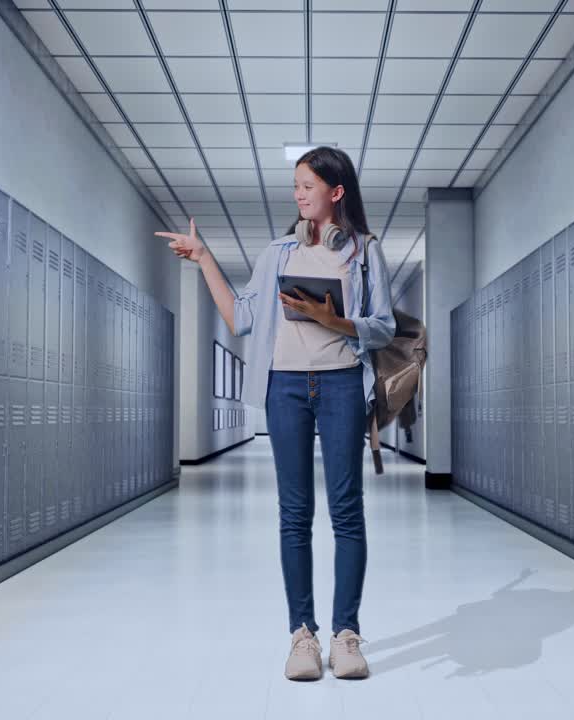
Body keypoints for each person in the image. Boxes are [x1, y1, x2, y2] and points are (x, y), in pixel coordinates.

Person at [156, 147, 396, 681]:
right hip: (284, 387)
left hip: (339, 387)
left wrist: (334, 321)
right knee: (294, 514)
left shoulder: (362, 252)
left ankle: (347, 634)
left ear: (335, 192)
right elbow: (240, 317)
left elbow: (384, 326)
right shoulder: (277, 254)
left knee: (346, 511)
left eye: (306, 185)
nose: (298, 194)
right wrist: (203, 259)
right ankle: (302, 636)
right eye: (295, 186)